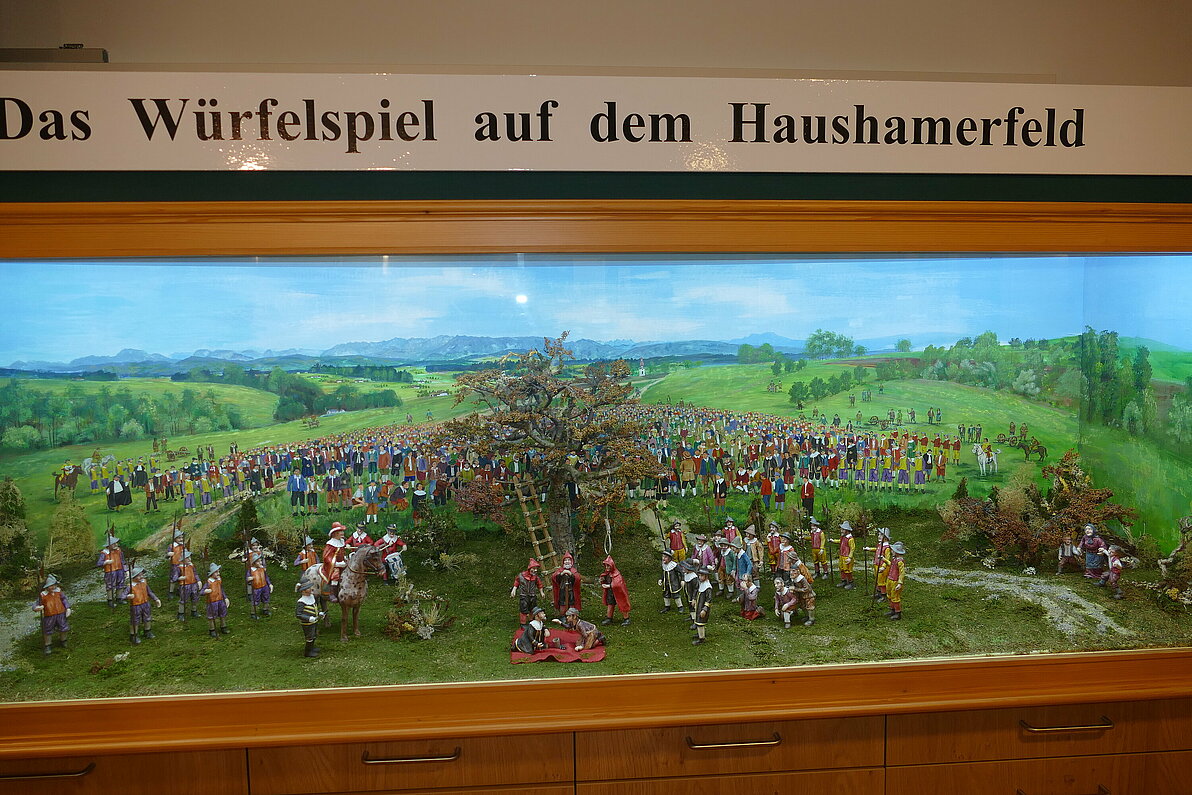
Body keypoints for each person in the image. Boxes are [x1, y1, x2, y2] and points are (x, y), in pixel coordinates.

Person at [122, 566, 161, 645]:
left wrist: (156, 599)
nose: (141, 577)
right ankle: (133, 635)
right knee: (135, 620)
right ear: (134, 576)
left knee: (147, 617)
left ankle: (147, 631)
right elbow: (122, 596)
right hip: (136, 605)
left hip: (145, 603)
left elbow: (149, 592)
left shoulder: (144, 583)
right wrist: (128, 596)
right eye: (139, 575)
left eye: (142, 575)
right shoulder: (130, 586)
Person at [32, 573, 70, 655]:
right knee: (47, 630)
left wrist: (68, 608)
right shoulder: (43, 595)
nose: (53, 587)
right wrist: (37, 608)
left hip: (61, 614)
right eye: (51, 586)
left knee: (63, 627)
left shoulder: (58, 592)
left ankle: (63, 640)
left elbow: (64, 599)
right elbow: (36, 604)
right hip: (49, 616)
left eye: (54, 585)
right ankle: (48, 645)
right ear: (47, 586)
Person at [295, 568, 325, 658]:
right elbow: (298, 614)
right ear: (303, 590)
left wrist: (319, 613)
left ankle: (312, 648)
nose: (311, 589)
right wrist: (309, 618)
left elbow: (314, 608)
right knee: (309, 637)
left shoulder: (312, 597)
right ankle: (307, 652)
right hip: (307, 623)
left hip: (314, 621)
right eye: (308, 588)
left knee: (314, 635)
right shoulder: (301, 602)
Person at [511, 559, 545, 625]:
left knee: (533, 609)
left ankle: (531, 622)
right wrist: (514, 589)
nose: (535, 570)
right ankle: (523, 623)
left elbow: (539, 584)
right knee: (523, 609)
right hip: (524, 595)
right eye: (534, 568)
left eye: (536, 569)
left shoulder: (536, 577)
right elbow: (517, 582)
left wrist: (541, 592)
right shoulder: (521, 575)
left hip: (532, 596)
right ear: (529, 568)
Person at [201, 562, 231, 638]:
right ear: (212, 573)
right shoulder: (209, 582)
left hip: (220, 600)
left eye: (218, 571)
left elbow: (221, 589)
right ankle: (212, 629)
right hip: (212, 602)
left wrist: (225, 597)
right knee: (212, 616)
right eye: (216, 572)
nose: (218, 573)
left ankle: (223, 626)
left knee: (222, 613)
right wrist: (206, 591)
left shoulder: (219, 580)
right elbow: (201, 592)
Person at [600, 556, 632, 626]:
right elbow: (605, 579)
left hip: (618, 592)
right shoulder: (607, 574)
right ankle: (609, 618)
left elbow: (618, 584)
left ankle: (626, 618)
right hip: (610, 592)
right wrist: (603, 580)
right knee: (610, 604)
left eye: (608, 566)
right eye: (606, 566)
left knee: (623, 604)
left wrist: (609, 586)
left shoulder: (617, 574)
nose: (607, 567)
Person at [322, 523, 349, 603]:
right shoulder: (331, 544)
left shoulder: (341, 541)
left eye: (342, 531)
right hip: (334, 565)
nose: (342, 533)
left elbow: (341, 553)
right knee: (335, 575)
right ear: (335, 533)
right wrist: (336, 564)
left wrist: (345, 558)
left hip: (342, 562)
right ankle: (332, 593)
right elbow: (326, 556)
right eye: (341, 531)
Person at [97, 534, 125, 608]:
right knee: (110, 586)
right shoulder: (104, 553)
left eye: (116, 543)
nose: (116, 545)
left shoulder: (118, 551)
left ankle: (119, 598)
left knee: (121, 583)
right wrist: (105, 562)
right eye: (113, 543)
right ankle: (110, 600)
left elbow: (122, 560)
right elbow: (99, 563)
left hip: (119, 569)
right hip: (110, 571)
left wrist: (126, 570)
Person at [175, 549, 202, 621]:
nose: (189, 559)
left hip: (193, 584)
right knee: (183, 599)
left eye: (190, 557)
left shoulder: (191, 566)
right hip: (185, 585)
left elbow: (195, 574)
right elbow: (175, 578)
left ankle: (194, 611)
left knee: (195, 598)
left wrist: (198, 580)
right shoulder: (179, 567)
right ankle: (181, 613)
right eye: (187, 558)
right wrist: (180, 578)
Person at [247, 551, 273, 618]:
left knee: (266, 598)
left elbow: (266, 577)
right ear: (254, 563)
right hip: (256, 588)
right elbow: (247, 579)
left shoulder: (262, 569)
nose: (260, 562)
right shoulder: (251, 570)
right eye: (258, 561)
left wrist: (269, 584)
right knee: (255, 600)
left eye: (260, 561)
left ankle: (265, 609)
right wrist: (249, 579)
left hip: (264, 586)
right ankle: (253, 613)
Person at [692, 564, 714, 645]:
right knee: (698, 620)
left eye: (702, 576)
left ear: (706, 576)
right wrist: (694, 599)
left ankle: (701, 638)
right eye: (699, 575)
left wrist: (704, 609)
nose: (700, 577)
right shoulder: (701, 584)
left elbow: (709, 600)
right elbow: (697, 591)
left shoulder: (708, 587)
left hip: (703, 608)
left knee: (701, 622)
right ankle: (699, 633)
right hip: (699, 605)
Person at [831, 521, 856, 590]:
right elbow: (840, 541)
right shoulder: (843, 537)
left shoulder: (850, 539)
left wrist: (850, 557)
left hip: (847, 556)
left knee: (847, 570)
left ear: (847, 530)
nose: (841, 531)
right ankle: (843, 580)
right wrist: (833, 541)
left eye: (843, 529)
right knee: (841, 568)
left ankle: (850, 582)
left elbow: (852, 548)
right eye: (841, 529)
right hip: (842, 555)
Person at [886, 541, 907, 620]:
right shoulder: (894, 559)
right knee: (890, 595)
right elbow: (891, 565)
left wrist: (900, 583)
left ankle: (898, 613)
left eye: (893, 550)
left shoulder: (900, 562)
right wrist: (884, 559)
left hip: (895, 581)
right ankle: (892, 610)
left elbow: (902, 573)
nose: (892, 551)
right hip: (890, 579)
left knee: (895, 597)